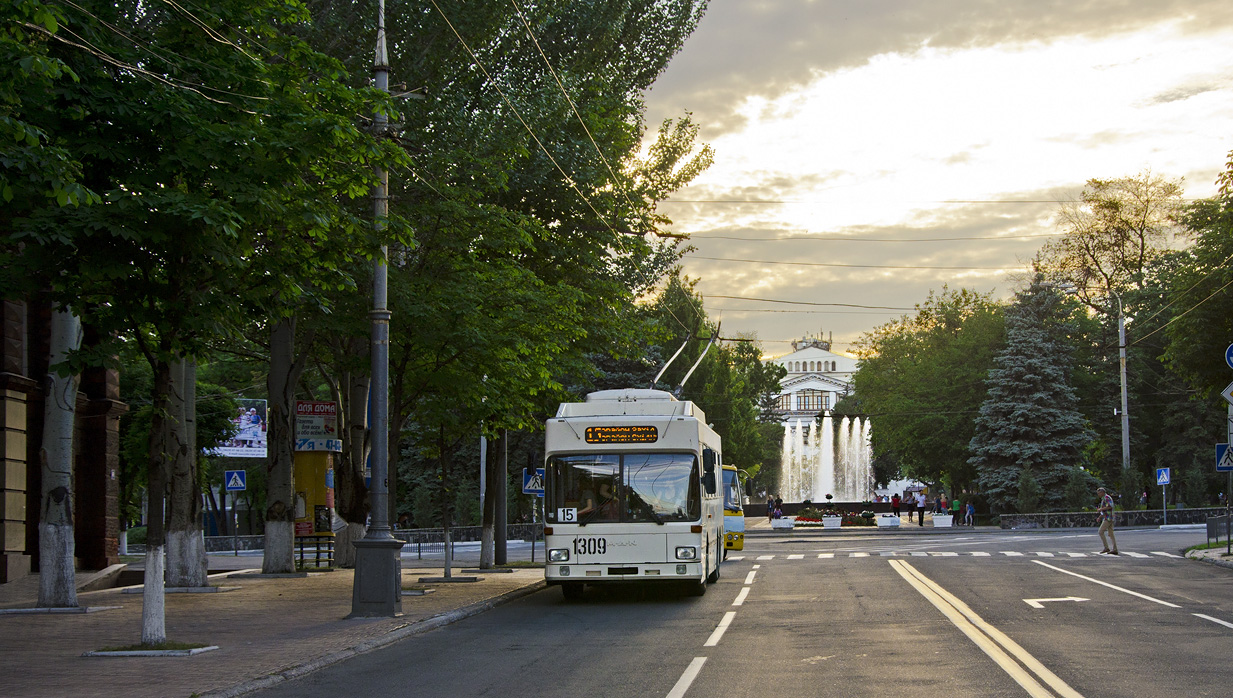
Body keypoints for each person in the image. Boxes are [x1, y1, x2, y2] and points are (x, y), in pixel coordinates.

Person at [1096, 486, 1118, 555]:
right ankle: (1115, 549)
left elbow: (1110, 506)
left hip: (1108, 518)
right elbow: (1104, 510)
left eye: (1099, 493)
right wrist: (1100, 517)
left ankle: (1106, 547)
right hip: (1108, 517)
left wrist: (1101, 509)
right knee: (1111, 534)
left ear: (1103, 492)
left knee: (1100, 531)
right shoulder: (1103, 499)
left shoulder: (1107, 498)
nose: (1098, 494)